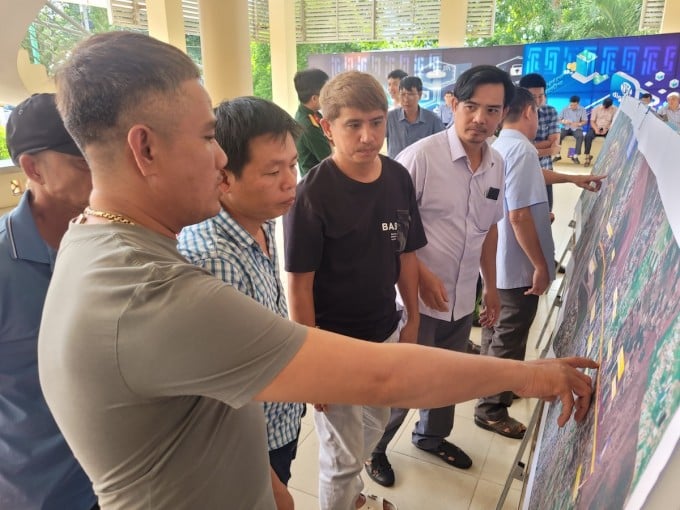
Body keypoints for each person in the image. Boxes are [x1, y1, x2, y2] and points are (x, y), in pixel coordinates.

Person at [38, 32, 597, 510]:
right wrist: (527, 376)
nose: (219, 160)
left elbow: (207, 426)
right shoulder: (154, 292)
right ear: (145, 148)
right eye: (209, 137)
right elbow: (382, 375)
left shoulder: (100, 242)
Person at [284, 70, 426, 510]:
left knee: (371, 429)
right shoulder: (311, 195)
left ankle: (353, 499)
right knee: (341, 461)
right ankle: (343, 500)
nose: (368, 136)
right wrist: (312, 362)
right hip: (335, 346)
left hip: (384, 332)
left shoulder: (399, 178)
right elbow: (299, 285)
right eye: (353, 124)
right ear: (326, 127)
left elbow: (406, 255)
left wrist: (413, 321)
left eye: (377, 122)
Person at [367, 65, 511, 487]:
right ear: (452, 104)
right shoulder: (419, 158)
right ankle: (374, 448)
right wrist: (421, 277)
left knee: (446, 376)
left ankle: (431, 437)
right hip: (416, 298)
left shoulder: (497, 164)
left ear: (502, 114)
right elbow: (387, 232)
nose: (480, 119)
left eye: (492, 110)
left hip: (463, 296)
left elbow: (488, 229)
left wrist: (492, 287)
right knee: (407, 381)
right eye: (471, 107)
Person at [177, 97, 304, 510]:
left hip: (279, 423)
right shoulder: (215, 259)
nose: (291, 182)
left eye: (292, 164)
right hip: (252, 451)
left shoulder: (260, 222)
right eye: (273, 171)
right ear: (224, 177)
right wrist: (270, 487)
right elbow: (225, 403)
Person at [474, 88, 604, 439]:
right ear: (530, 112)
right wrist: (541, 267)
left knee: (495, 331)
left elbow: (531, 183)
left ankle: (495, 385)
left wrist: (572, 178)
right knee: (509, 337)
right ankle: (490, 408)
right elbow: (518, 216)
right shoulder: (523, 150)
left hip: (498, 262)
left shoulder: (502, 146)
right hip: (517, 267)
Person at [0, 93, 96, 510]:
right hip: (44, 492)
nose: (102, 171)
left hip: (121, 480)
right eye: (82, 161)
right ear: (32, 168)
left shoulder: (108, 242)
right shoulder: (5, 266)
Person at [518, 73, 560, 210]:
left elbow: (554, 141)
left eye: (541, 96)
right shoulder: (513, 114)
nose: (537, 101)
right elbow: (518, 150)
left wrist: (529, 148)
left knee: (547, 214)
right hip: (520, 172)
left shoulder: (550, 112)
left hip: (545, 170)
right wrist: (549, 150)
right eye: (532, 97)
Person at [386, 76, 444, 158]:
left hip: (422, 168)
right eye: (402, 94)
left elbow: (442, 145)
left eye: (410, 94)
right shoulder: (390, 117)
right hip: (395, 168)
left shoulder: (433, 120)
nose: (406, 99)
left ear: (420, 95)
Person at [293, 68, 332, 177]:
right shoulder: (308, 125)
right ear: (314, 98)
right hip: (318, 180)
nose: (328, 96)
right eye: (325, 93)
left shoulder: (313, 114)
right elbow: (328, 158)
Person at [584, 97, 617, 167]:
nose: (605, 108)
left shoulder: (615, 109)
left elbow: (614, 122)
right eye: (605, 106)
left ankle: (607, 159)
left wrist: (607, 129)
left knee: (612, 138)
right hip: (596, 127)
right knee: (588, 137)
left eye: (607, 107)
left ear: (611, 106)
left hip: (608, 128)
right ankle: (587, 157)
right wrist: (596, 129)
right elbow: (592, 121)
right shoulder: (596, 109)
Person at [555, 95, 587, 164]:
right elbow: (558, 119)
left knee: (580, 136)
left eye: (574, 105)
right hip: (566, 127)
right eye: (571, 105)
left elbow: (585, 121)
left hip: (577, 128)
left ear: (578, 103)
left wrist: (579, 124)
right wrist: (563, 121)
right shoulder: (565, 108)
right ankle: (558, 155)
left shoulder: (582, 109)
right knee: (558, 135)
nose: (572, 107)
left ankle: (575, 156)